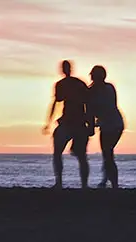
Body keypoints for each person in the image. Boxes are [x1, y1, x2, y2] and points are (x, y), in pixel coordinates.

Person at [42, 60, 92, 189]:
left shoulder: (77, 84)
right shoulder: (63, 84)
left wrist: (90, 123)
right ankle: (60, 182)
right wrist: (48, 122)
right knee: (60, 153)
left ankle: (82, 185)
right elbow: (56, 103)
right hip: (69, 122)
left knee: (80, 155)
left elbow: (88, 104)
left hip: (77, 122)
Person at [86, 65, 125, 189]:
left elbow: (93, 110)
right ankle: (107, 180)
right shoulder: (106, 88)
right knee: (108, 153)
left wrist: (91, 126)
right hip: (113, 123)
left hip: (112, 124)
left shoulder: (98, 91)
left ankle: (113, 183)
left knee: (107, 153)